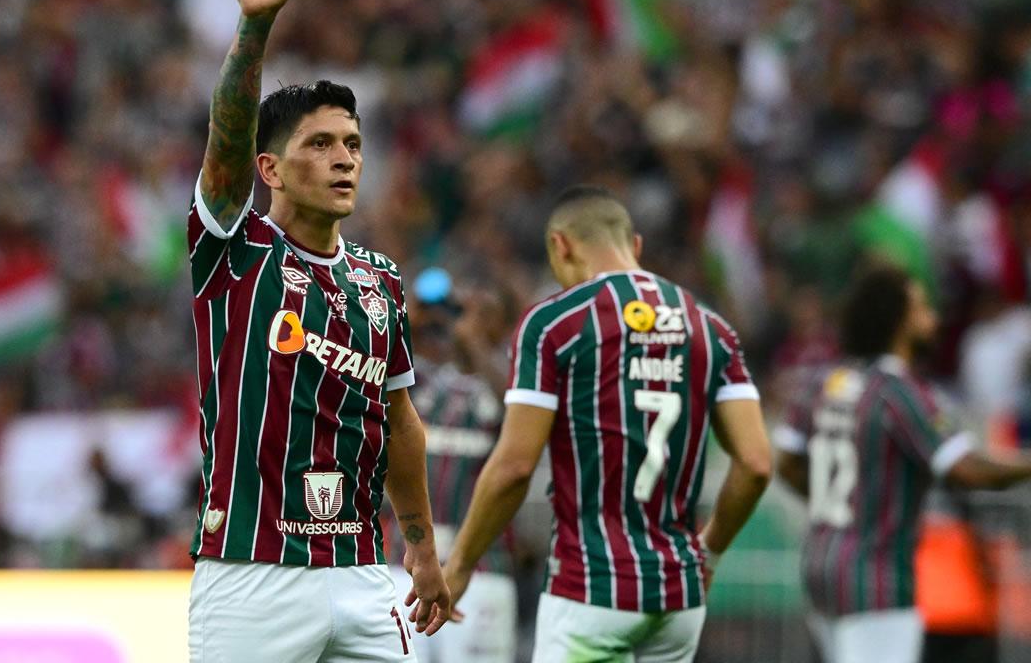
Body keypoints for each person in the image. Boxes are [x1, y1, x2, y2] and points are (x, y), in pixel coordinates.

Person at [185, 0, 450, 661]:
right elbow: (227, 137)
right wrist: (255, 30)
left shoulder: (380, 280)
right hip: (251, 575)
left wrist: (423, 548)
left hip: (364, 574)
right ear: (269, 169)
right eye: (322, 144)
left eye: (355, 145)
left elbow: (400, 422)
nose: (345, 159)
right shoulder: (234, 249)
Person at [440, 185, 773, 663]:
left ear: (560, 245)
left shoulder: (555, 323)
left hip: (591, 588)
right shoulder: (711, 327)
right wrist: (710, 551)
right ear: (634, 246)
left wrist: (462, 563)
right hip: (679, 596)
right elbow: (757, 463)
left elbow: (514, 466)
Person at [774, 264, 1031, 663]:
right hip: (876, 580)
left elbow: (788, 463)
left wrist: (844, 506)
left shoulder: (825, 383)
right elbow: (966, 469)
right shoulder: (898, 392)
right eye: (922, 307)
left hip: (822, 566)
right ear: (898, 320)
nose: (932, 318)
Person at [385, 269, 519, 663]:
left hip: (483, 572)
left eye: (484, 312)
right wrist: (416, 315)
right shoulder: (423, 380)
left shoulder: (516, 379)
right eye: (465, 309)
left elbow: (512, 410)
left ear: (504, 324)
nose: (467, 320)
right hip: (404, 566)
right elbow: (382, 368)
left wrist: (474, 344)